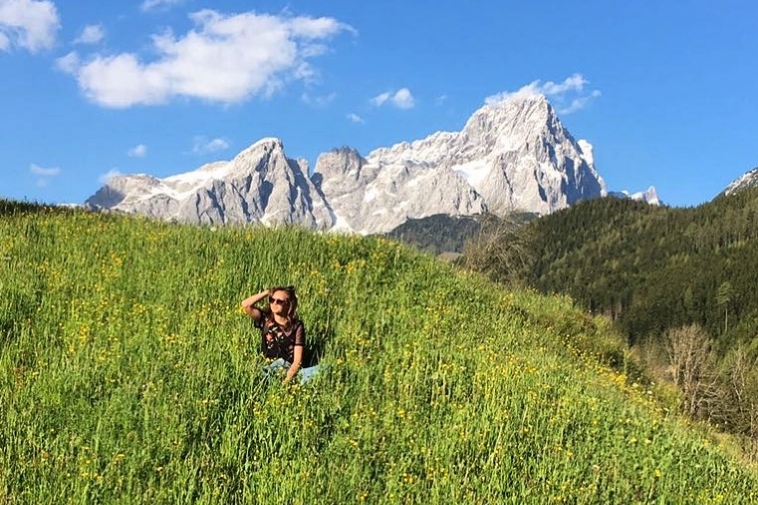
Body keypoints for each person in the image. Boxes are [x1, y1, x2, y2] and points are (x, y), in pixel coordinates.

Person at [240, 286, 318, 384]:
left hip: (288, 366)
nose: (274, 303)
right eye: (272, 300)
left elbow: (297, 360)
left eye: (279, 301)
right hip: (270, 365)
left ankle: (293, 379)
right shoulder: (265, 320)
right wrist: (267, 292)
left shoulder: (297, 326)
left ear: (288, 305)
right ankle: (296, 379)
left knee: (324, 369)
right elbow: (246, 305)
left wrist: (286, 381)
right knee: (258, 375)